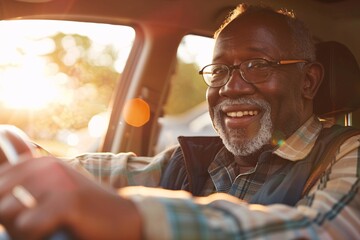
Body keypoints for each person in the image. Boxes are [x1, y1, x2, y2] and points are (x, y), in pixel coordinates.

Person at [0, 3, 359, 240]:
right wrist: (31, 164)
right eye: (219, 70)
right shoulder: (191, 161)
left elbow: (322, 230)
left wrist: (132, 217)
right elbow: (108, 172)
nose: (231, 87)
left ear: (309, 81)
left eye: (257, 65)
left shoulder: (348, 155)